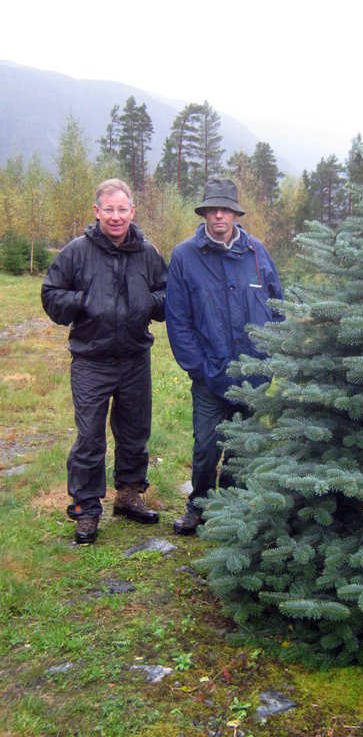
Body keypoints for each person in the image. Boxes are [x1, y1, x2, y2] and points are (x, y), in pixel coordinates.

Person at [41, 178, 167, 544]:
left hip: (134, 358)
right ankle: (87, 509)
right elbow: (51, 294)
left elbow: (167, 292)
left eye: (122, 209)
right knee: (90, 437)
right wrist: (83, 301)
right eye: (108, 209)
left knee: (134, 432)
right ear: (96, 212)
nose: (115, 216)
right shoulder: (77, 252)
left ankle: (128, 496)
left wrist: (148, 302)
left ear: (133, 212)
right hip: (91, 360)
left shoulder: (147, 252)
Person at [166, 178, 283, 535]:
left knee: (241, 447)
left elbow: (279, 305)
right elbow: (178, 319)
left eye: (225, 209)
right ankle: (199, 505)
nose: (219, 215)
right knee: (205, 448)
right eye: (211, 209)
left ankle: (232, 508)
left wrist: (270, 357)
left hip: (255, 373)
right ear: (203, 213)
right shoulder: (184, 256)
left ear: (235, 213)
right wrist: (199, 369)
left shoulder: (256, 252)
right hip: (210, 376)